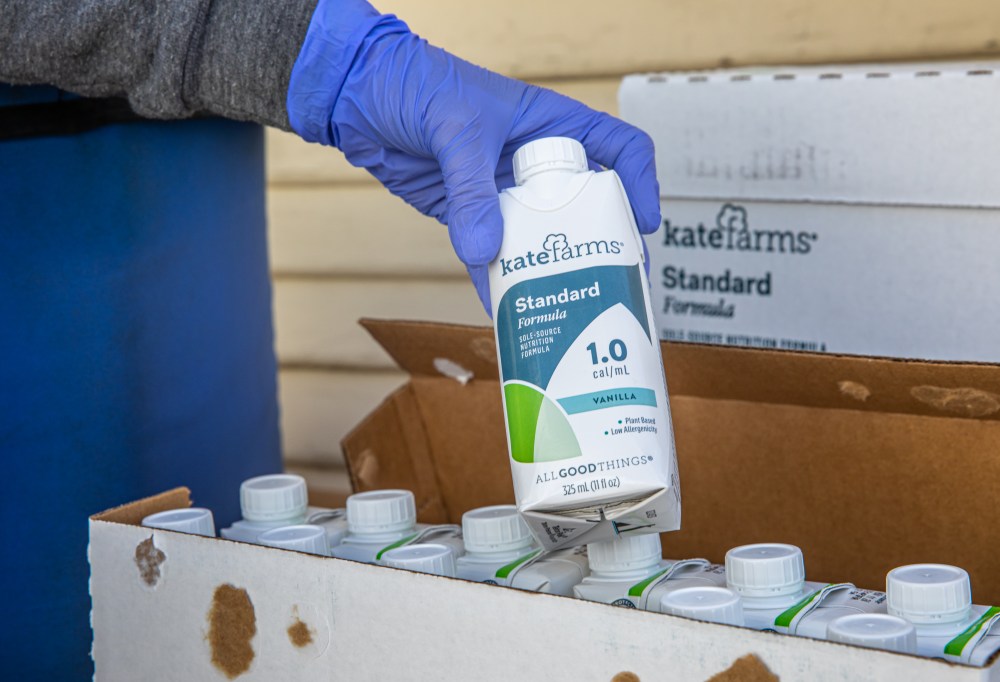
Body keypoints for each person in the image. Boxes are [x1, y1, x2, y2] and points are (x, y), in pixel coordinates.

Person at [0, 0, 660, 678]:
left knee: (207, 628)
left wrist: (319, 59)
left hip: (196, 125)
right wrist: (336, 60)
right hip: (33, 206)